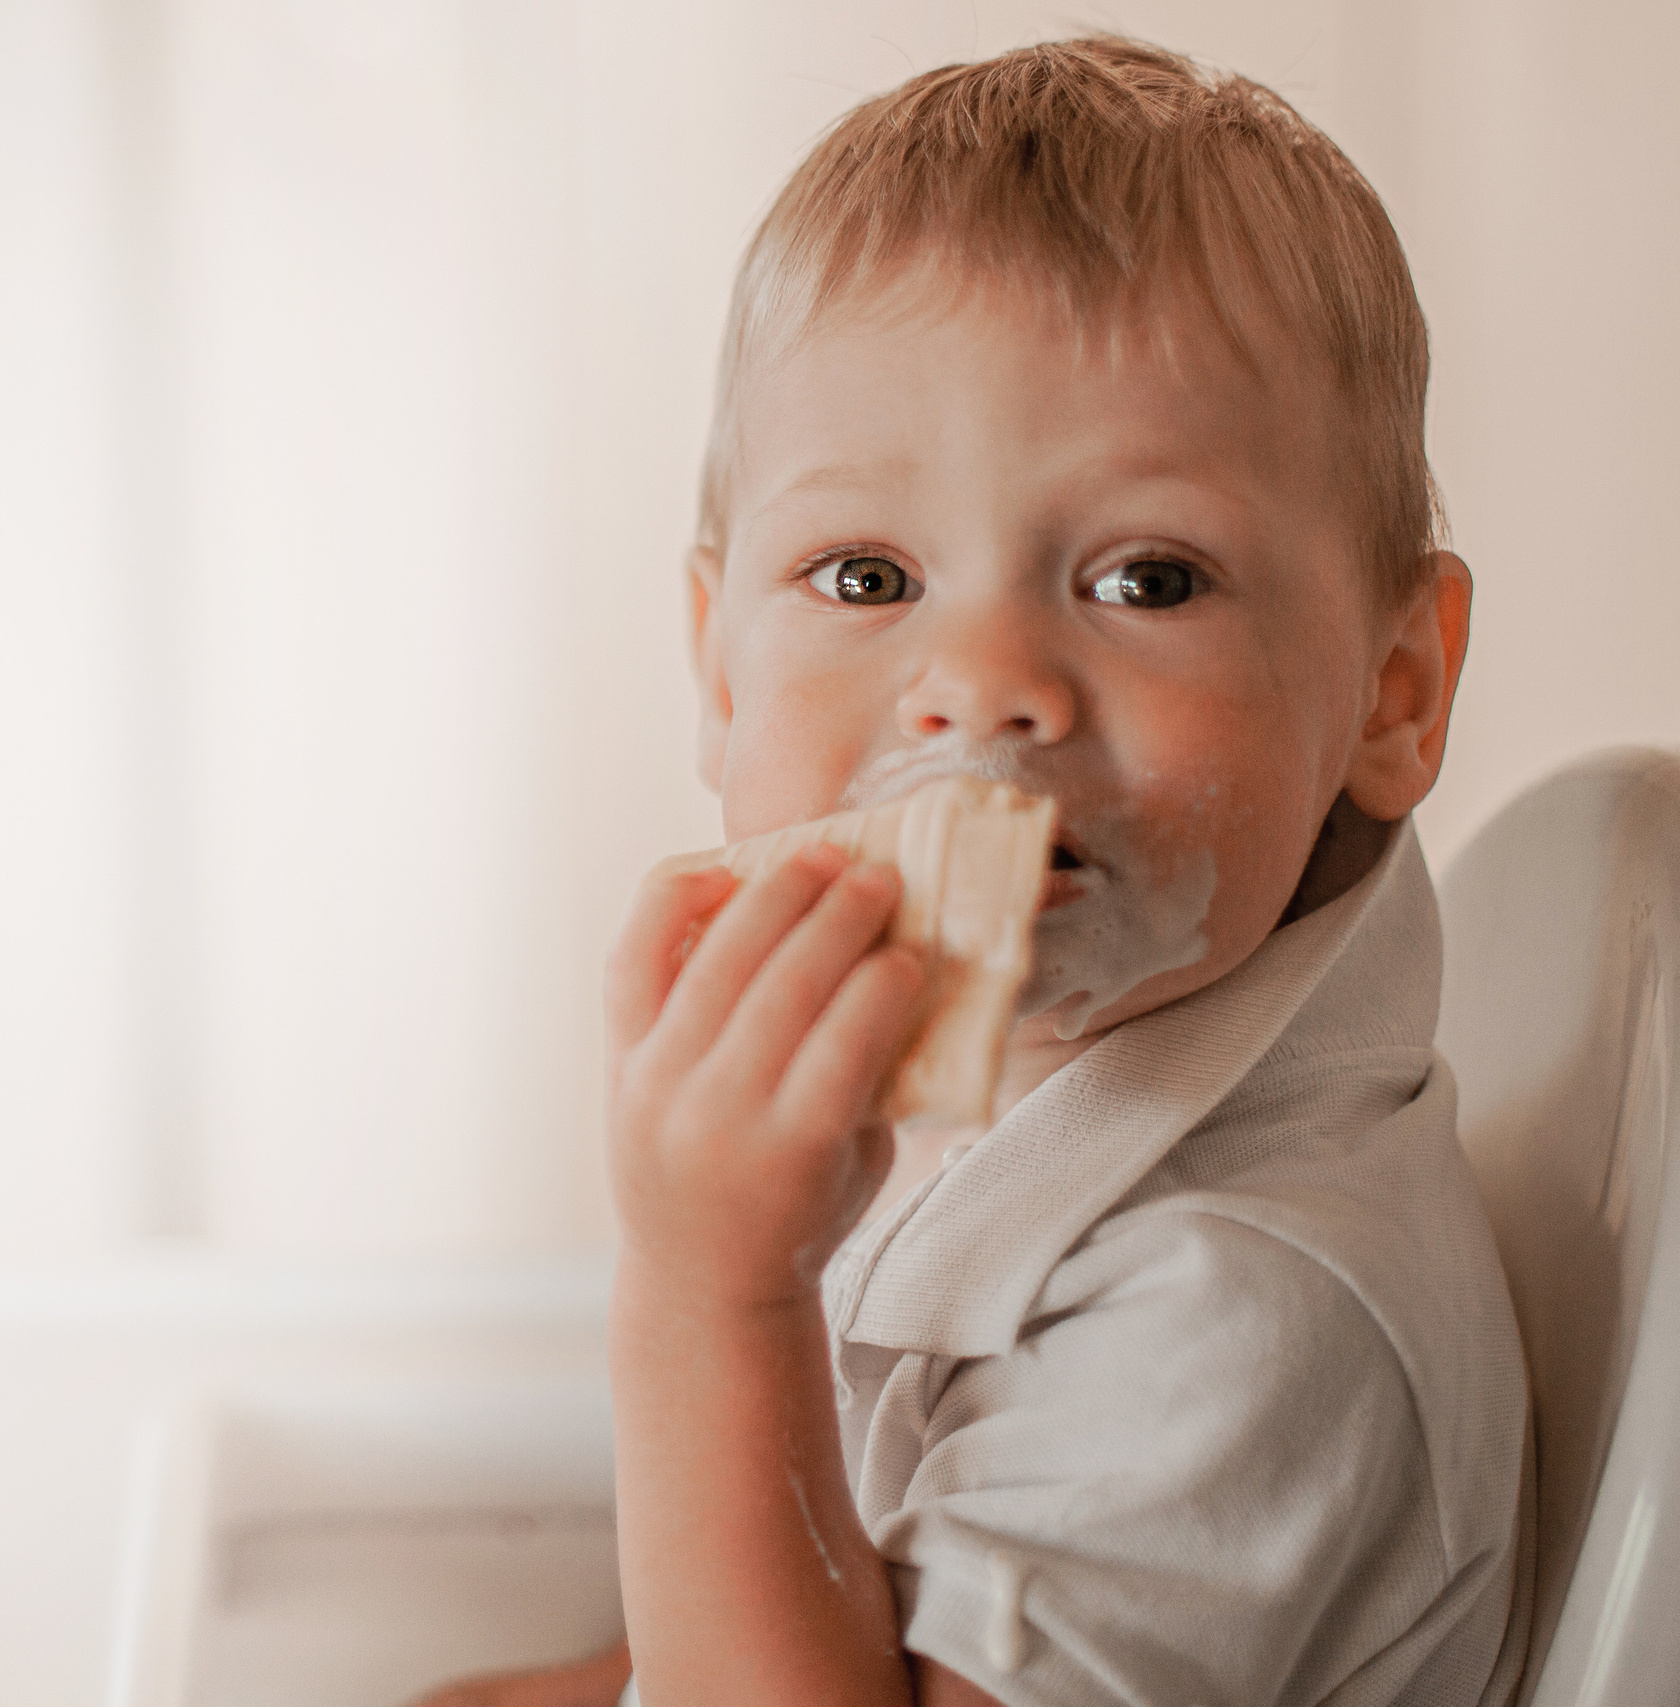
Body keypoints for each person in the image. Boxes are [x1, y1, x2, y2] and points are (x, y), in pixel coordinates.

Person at [417, 35, 1531, 1707]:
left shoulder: (1238, 1320)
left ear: (1396, 693)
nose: (983, 680)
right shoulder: (1012, 1106)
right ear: (721, 678)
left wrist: (706, 1294)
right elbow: (828, 1596)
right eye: (867, 576)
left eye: (1147, 579)